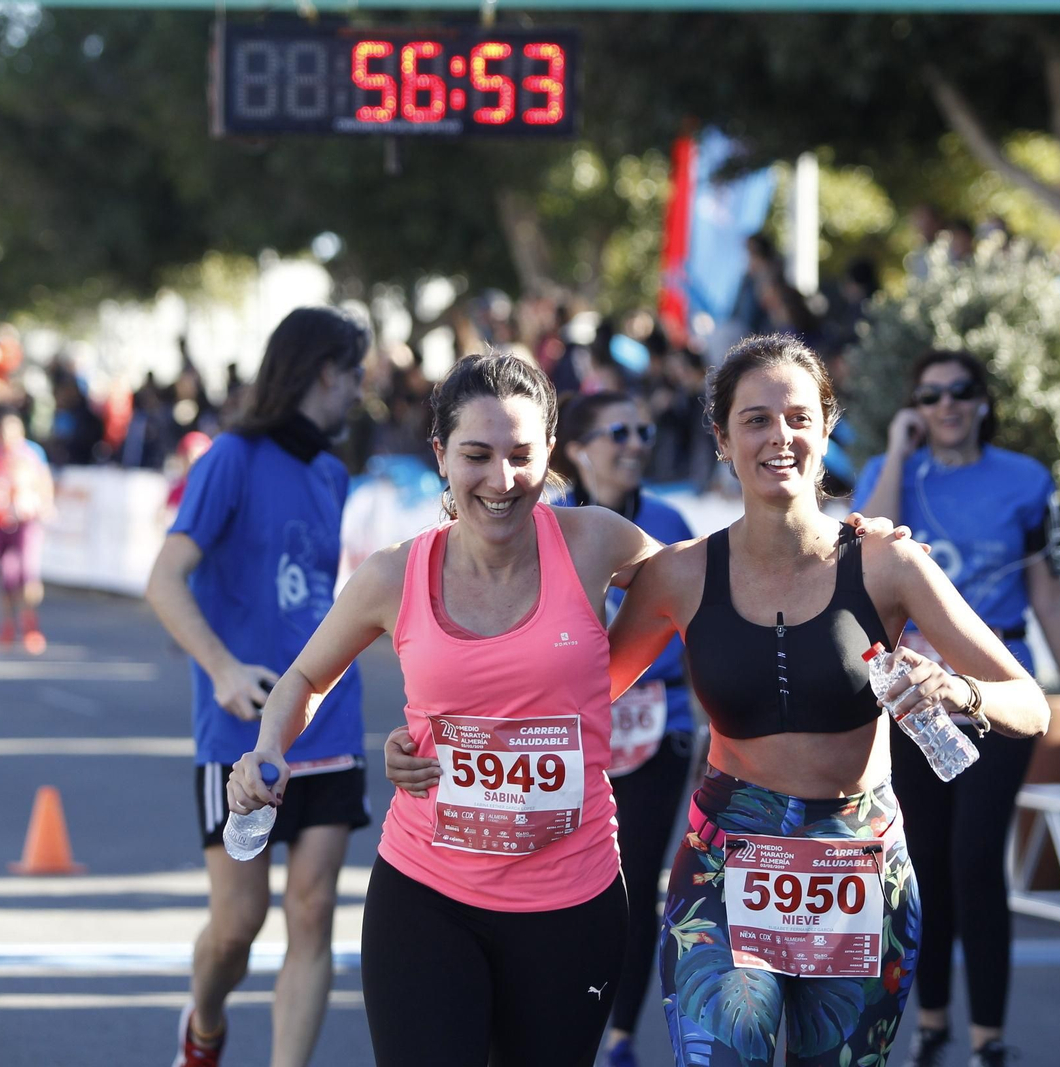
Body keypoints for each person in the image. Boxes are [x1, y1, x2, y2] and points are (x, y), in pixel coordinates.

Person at [603, 334, 1051, 1067]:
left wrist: (955, 687)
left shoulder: (889, 563)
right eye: (755, 419)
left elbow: (1031, 703)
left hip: (859, 857)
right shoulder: (681, 575)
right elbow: (581, 699)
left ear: (826, 429)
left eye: (798, 417)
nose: (780, 436)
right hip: (728, 857)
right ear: (721, 438)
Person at [229, 351, 675, 1067]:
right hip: (428, 897)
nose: (501, 481)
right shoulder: (393, 573)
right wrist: (267, 752)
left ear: (550, 454)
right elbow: (305, 677)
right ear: (440, 454)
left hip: (573, 901)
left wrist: (852, 548)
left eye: (522, 456)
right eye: (476, 454)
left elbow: (705, 582)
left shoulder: (592, 541)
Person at [852, 348, 1060, 1066]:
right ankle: (933, 1020)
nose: (947, 406)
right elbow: (873, 552)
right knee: (924, 860)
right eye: (929, 396)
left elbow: (1051, 595)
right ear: (914, 408)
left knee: (974, 859)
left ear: (983, 402)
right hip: (912, 697)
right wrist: (898, 453)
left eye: (960, 392)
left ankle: (989, 1037)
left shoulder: (1025, 481)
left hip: (993, 687)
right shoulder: (889, 473)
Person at [145, 306, 372, 1067]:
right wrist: (223, 669)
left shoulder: (333, 472)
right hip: (241, 731)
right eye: (357, 376)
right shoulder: (230, 458)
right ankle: (203, 1024)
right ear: (325, 371)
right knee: (237, 925)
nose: (361, 394)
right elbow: (165, 578)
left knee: (312, 913)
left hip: (329, 720)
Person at [551, 390, 697, 1067]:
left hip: (658, 722)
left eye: (644, 429)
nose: (637, 441)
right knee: (560, 881)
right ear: (578, 449)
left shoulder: (670, 520)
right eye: (620, 432)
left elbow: (702, 630)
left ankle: (620, 1036)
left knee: (634, 882)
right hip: (560, 732)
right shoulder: (546, 525)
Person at [0, 412, 54, 654]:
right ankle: (7, 627)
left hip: (26, 520)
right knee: (6, 576)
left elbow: (44, 481)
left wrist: (45, 504)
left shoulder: (32, 453)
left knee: (27, 574)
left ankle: (30, 624)